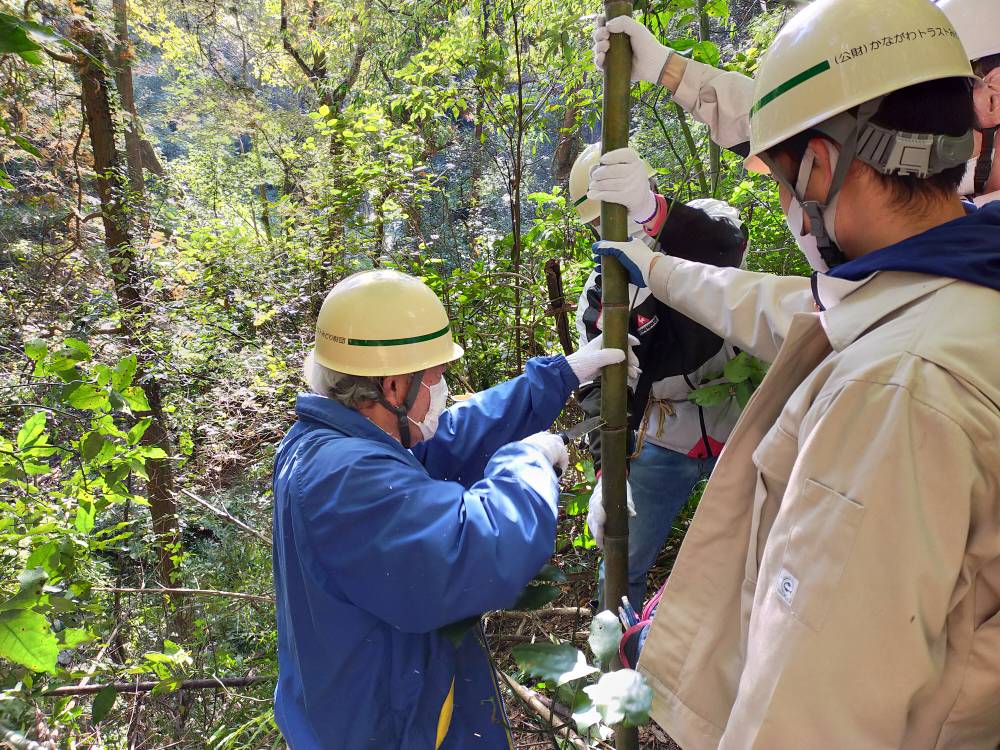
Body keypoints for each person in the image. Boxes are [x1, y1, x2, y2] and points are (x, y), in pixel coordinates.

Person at [592, 0, 1000, 746]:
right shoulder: (960, 288)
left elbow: (808, 712)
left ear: (817, 166)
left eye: (781, 177)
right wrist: (657, 267)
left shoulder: (895, 393)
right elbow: (796, 309)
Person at [271, 269, 633, 748]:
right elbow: (476, 549)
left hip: (383, 700)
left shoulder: (334, 443)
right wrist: (530, 461)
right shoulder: (345, 478)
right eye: (437, 379)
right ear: (394, 387)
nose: (442, 392)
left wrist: (561, 375)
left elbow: (451, 436)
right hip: (392, 728)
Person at [568, 143, 749, 609]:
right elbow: (599, 382)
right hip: (665, 435)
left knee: (761, 551)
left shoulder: (700, 225)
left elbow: (725, 244)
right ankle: (618, 665)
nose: (608, 228)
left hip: (740, 420)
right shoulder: (600, 293)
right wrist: (608, 471)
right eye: (598, 222)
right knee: (622, 562)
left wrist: (653, 221)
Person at [592, 0, 1000, 205]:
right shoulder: (957, 223)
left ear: (992, 98)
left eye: (943, 93)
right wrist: (668, 68)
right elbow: (812, 125)